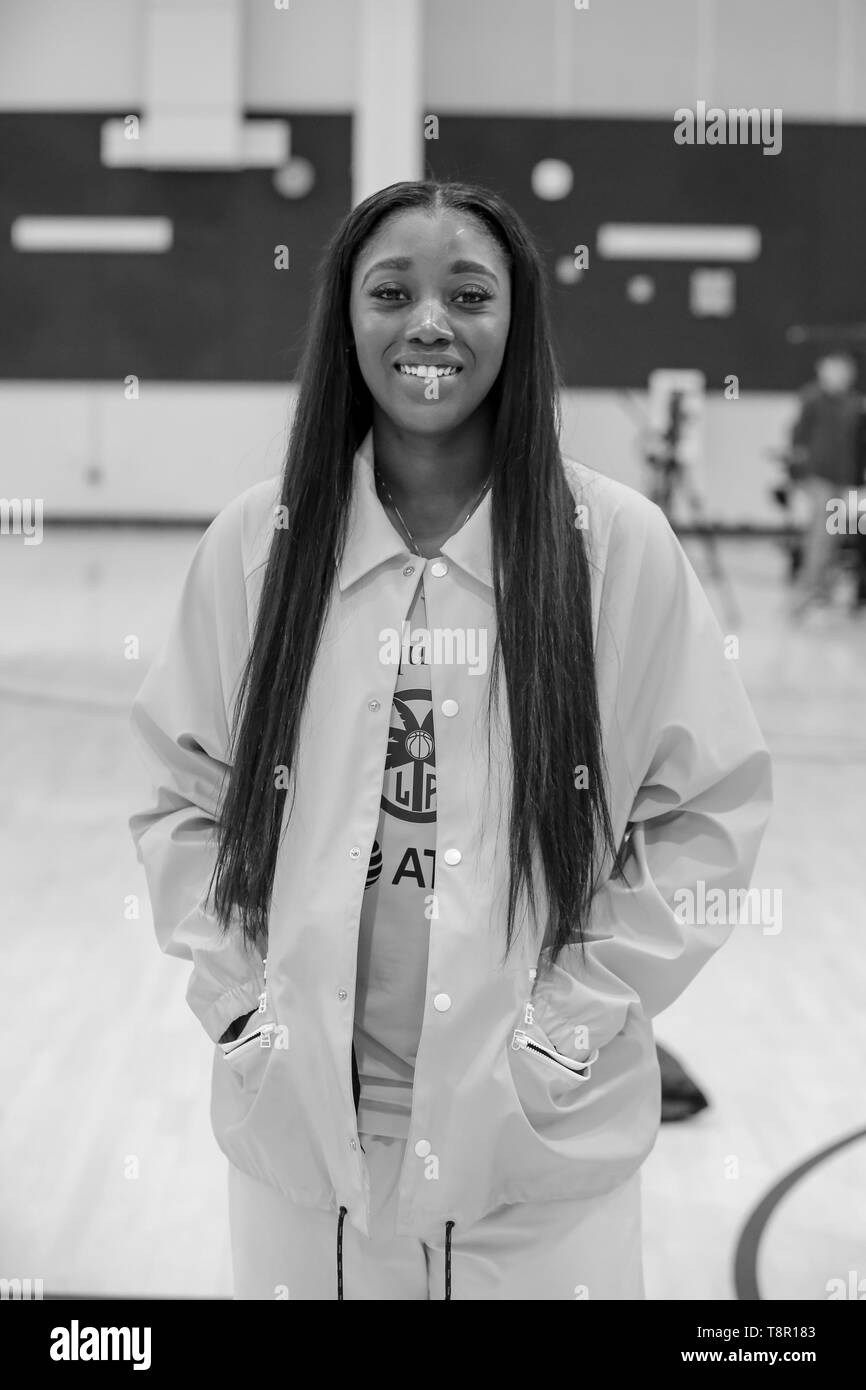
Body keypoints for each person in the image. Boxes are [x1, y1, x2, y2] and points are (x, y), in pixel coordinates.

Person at [128, 179, 773, 1301]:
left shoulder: (613, 546)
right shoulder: (259, 541)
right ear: (347, 320)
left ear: (515, 325)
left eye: (467, 294)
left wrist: (563, 1031)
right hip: (308, 1155)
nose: (429, 322)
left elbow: (703, 816)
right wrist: (242, 1005)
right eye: (392, 292)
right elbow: (182, 798)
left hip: (534, 1154)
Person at [789, 350, 864, 616]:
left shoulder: (854, 403)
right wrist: (797, 472)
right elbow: (798, 436)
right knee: (821, 536)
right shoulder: (813, 399)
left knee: (840, 534)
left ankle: (825, 591)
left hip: (846, 478)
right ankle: (804, 594)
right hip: (820, 476)